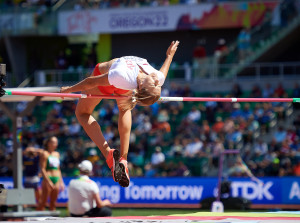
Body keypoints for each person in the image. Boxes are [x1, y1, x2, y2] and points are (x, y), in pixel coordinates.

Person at [60, 40, 180, 187]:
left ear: (141, 86)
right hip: (123, 86)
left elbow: (92, 82)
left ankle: (108, 154)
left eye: (154, 84)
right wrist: (169, 55)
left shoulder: (121, 76)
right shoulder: (156, 78)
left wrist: (69, 90)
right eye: (157, 85)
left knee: (82, 113)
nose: (156, 81)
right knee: (125, 108)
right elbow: (163, 72)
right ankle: (123, 159)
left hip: (108, 78)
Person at [38, 136, 65, 211]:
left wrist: (61, 182)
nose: (55, 144)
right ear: (48, 143)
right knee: (43, 201)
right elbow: (42, 169)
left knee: (53, 202)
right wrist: (48, 181)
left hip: (56, 178)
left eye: (56, 142)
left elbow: (58, 169)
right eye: (53, 142)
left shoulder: (57, 154)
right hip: (48, 178)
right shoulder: (45, 154)